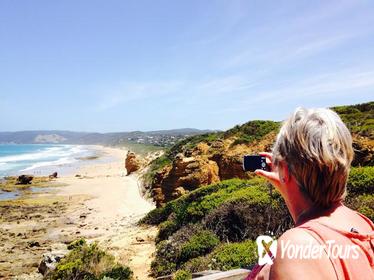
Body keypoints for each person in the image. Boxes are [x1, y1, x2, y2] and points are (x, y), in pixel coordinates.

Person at [252, 107, 374, 280]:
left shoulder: (297, 247)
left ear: (285, 171)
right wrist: (289, 188)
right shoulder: (364, 224)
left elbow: (312, 238)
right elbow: (318, 231)